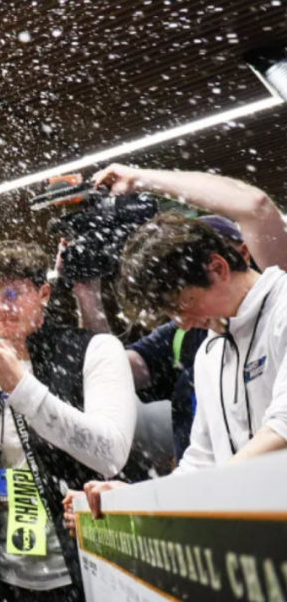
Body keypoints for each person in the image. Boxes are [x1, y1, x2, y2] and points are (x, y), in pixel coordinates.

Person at [0, 241, 135, 602]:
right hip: (2, 570)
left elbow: (110, 455)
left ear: (44, 293)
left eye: (13, 294)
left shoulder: (95, 350)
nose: (2, 307)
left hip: (89, 561)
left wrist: (20, 386)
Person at [71, 201, 287, 521]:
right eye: (171, 314)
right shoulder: (210, 352)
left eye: (183, 303)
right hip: (254, 535)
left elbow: (282, 428)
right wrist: (136, 498)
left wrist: (209, 490)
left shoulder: (282, 310)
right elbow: (200, 462)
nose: (183, 324)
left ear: (217, 268)